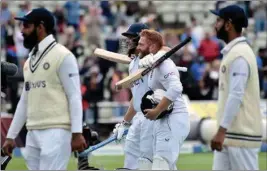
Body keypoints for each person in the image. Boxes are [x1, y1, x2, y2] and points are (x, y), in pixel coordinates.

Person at [2, 8, 86, 170]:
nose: (22, 31)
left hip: (56, 130)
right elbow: (25, 101)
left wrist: (77, 133)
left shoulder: (63, 56)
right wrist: (11, 136)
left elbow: (74, 96)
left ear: (40, 27)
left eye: (26, 26)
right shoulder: (29, 61)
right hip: (32, 131)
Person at [210, 5, 263, 170]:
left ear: (228, 25)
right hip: (230, 135)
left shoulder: (239, 54)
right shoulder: (234, 52)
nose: (215, 24)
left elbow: (236, 94)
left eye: (218, 20)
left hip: (241, 136)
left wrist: (221, 130)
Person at [137, 29, 190, 170]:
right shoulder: (152, 64)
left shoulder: (164, 63)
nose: (138, 47)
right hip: (162, 120)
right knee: (166, 166)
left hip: (174, 118)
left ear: (153, 46)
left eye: (141, 44)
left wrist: (157, 110)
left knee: (161, 164)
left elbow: (176, 88)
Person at [112, 23, 155, 170]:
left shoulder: (153, 59)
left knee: (152, 161)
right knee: (130, 154)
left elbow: (166, 49)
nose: (128, 41)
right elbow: (136, 98)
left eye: (131, 38)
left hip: (153, 116)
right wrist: (125, 122)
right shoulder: (133, 64)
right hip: (139, 118)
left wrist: (155, 58)